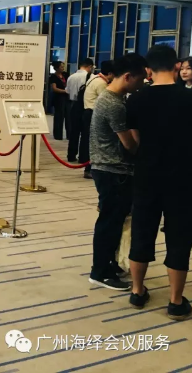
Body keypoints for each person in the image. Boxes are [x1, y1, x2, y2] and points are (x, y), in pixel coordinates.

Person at [127, 45, 192, 319]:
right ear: (177, 65)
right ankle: (175, 301)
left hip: (146, 174)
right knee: (179, 236)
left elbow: (135, 139)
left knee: (142, 231)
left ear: (147, 70)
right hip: (183, 177)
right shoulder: (188, 98)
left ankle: (137, 291)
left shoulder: (136, 99)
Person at [88, 53, 146, 291]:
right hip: (112, 170)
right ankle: (99, 272)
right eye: (140, 79)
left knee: (113, 221)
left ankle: (107, 264)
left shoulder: (112, 98)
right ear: (128, 76)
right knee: (109, 222)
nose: (142, 83)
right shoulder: (113, 103)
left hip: (109, 168)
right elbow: (129, 144)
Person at [80, 60, 115, 179]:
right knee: (94, 143)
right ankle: (89, 169)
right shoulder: (101, 84)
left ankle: (88, 167)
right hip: (92, 113)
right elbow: (106, 101)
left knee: (89, 141)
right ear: (110, 73)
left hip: (87, 112)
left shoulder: (94, 79)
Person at [67, 58, 94, 161]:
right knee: (85, 132)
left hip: (73, 105)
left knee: (74, 131)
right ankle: (83, 157)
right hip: (85, 105)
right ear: (90, 66)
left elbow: (68, 91)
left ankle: (71, 155)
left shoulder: (71, 77)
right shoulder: (90, 77)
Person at [49, 61, 70, 140]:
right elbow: (54, 88)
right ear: (57, 68)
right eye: (61, 67)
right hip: (58, 98)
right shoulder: (53, 77)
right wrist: (64, 91)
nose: (63, 68)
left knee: (68, 116)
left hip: (67, 98)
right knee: (59, 117)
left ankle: (69, 135)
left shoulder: (66, 74)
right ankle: (58, 135)